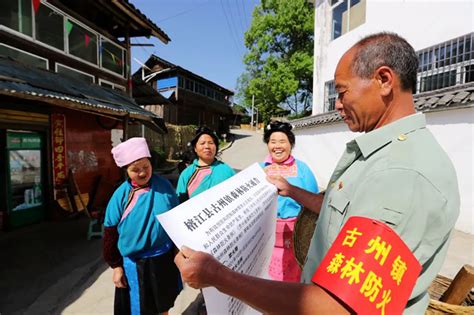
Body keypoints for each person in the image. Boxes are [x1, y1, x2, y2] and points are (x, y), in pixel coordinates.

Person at [174, 32, 460, 314]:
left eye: (342, 91)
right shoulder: (384, 155)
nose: (337, 104)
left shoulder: (402, 174)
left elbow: (337, 306)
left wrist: (219, 276)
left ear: (383, 80)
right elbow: (347, 215)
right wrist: (293, 191)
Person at [103, 137, 181, 315]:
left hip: (164, 259)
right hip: (137, 265)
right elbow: (110, 235)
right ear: (126, 171)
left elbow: (176, 219)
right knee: (139, 309)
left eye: (146, 167)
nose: (142, 173)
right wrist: (116, 267)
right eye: (135, 170)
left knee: (164, 305)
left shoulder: (164, 186)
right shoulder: (121, 196)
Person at [261, 121, 319, 282]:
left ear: (291, 144)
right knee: (267, 280)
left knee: (294, 280)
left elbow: (313, 201)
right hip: (267, 234)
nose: (277, 146)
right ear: (267, 144)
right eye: (273, 142)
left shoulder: (303, 169)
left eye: (282, 141)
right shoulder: (260, 169)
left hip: (297, 234)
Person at [176, 126, 235, 203]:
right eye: (202, 143)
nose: (207, 146)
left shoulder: (227, 170)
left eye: (211, 143)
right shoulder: (186, 174)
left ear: (216, 147)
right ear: (195, 148)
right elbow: (180, 203)